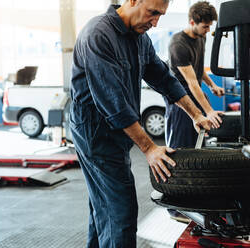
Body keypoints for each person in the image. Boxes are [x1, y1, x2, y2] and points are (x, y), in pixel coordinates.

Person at [70, 0, 212, 247]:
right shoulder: (99, 35)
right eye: (153, 12)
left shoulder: (139, 38)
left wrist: (195, 114)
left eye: (161, 15)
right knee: (121, 211)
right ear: (133, 1)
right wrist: (149, 148)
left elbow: (164, 79)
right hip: (96, 135)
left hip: (116, 134)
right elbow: (113, 103)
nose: (156, 22)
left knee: (104, 206)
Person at [165, 1, 225, 149]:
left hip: (195, 95)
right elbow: (191, 82)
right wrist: (209, 111)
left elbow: (197, 69)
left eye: (210, 25)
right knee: (181, 146)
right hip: (180, 100)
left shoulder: (201, 37)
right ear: (192, 22)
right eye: (205, 26)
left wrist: (212, 85)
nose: (208, 30)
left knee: (198, 141)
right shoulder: (178, 45)